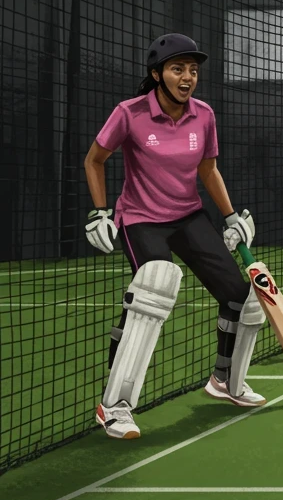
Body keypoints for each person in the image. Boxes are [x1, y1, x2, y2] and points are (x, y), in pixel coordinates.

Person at [83, 33, 265, 440]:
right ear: (157, 74)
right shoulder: (130, 113)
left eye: (193, 70)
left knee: (241, 296)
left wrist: (231, 217)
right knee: (154, 287)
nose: (187, 77)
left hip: (188, 215)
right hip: (141, 218)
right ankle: (114, 406)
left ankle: (225, 382)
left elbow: (208, 170)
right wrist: (99, 212)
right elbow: (95, 160)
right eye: (177, 69)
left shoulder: (203, 114)